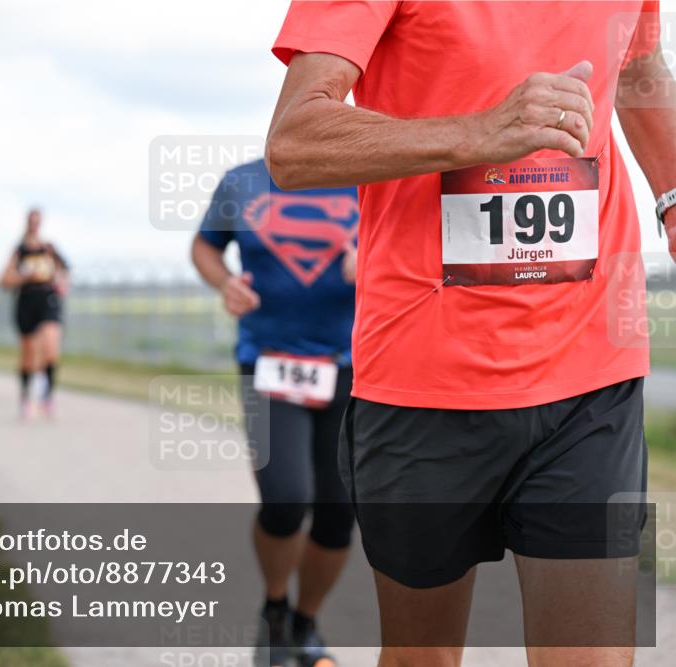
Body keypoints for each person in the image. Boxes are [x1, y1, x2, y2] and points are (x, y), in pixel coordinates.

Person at [266, 2, 674, 665]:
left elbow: (638, 70)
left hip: (590, 366)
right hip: (424, 378)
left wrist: (673, 197)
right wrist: (479, 132)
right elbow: (293, 143)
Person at [192, 158, 359, 667]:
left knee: (337, 513)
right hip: (269, 364)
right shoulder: (242, 183)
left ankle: (306, 627)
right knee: (286, 500)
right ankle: (275, 610)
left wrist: (376, 256)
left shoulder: (369, 175)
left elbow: (416, 243)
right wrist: (225, 283)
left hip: (349, 365)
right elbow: (205, 246)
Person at [0, 208, 70, 419]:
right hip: (27, 301)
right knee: (30, 354)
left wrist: (61, 282)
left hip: (48, 300)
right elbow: (4, 280)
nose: (35, 224)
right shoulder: (19, 250)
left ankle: (47, 397)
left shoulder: (49, 249)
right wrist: (25, 277)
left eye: (38, 220)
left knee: (50, 347)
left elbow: (64, 272)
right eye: (32, 220)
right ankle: (26, 397)